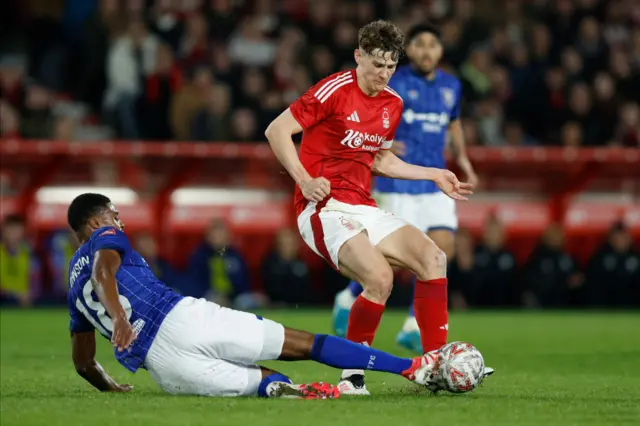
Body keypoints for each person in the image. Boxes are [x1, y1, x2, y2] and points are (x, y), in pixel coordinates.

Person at [264, 20, 477, 396]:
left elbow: (380, 161)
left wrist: (434, 174)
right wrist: (303, 179)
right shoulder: (334, 89)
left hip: (363, 204)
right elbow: (277, 130)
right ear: (358, 56)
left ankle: (434, 367)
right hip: (322, 207)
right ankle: (352, 378)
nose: (384, 74)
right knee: (380, 279)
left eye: (391, 66)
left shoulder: (392, 103)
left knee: (435, 259)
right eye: (377, 64)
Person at [66, 193, 442, 399]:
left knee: (270, 386)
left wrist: (110, 386)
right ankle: (410, 368)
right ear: (96, 223)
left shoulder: (71, 286)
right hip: (183, 319)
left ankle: (307, 392)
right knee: (302, 344)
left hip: (163, 368)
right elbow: (103, 272)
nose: (121, 222)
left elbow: (83, 363)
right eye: (115, 216)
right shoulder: (105, 238)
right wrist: (118, 317)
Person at [331, 23, 479, 354]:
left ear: (440, 51)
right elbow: (367, 110)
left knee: (442, 250)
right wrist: (378, 143)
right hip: (398, 182)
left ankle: (414, 325)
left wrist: (464, 160)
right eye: (420, 44)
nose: (427, 51)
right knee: (395, 260)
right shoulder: (392, 79)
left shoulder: (451, 86)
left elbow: (453, 124)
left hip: (433, 179)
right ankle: (349, 295)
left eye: (433, 44)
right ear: (408, 50)